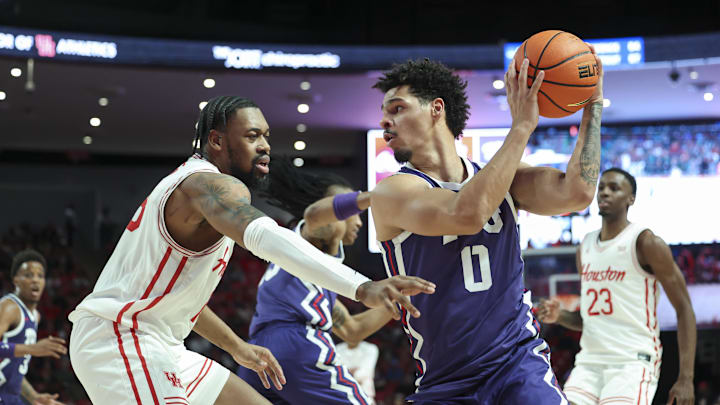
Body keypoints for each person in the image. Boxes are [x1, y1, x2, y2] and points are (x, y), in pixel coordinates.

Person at [67, 96, 436, 405]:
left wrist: (237, 347)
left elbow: (179, 301)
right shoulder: (209, 186)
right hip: (122, 338)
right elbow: (266, 238)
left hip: (160, 340)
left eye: (267, 136)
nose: (265, 146)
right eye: (252, 136)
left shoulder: (198, 189)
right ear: (216, 141)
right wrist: (362, 286)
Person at [369, 52, 604, 404]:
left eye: (397, 108)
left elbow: (578, 193)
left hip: (516, 362)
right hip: (446, 381)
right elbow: (467, 213)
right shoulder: (391, 192)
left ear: (436, 108)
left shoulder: (503, 179)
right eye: (384, 113)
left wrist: (593, 106)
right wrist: (522, 126)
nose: (386, 121)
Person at [236, 157, 396, 405]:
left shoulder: (308, 280)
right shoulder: (308, 237)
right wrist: (373, 196)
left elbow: (352, 331)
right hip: (295, 345)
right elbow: (314, 218)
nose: (359, 220)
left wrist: (396, 297)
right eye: (351, 210)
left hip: (260, 354)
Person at [536, 168, 696, 405]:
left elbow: (684, 308)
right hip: (589, 363)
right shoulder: (586, 246)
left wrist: (686, 378)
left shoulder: (645, 242)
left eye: (614, 188)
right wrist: (561, 316)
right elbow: (589, 318)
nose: (604, 193)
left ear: (631, 199)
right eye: (601, 188)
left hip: (631, 363)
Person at [0, 249, 66, 405]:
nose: (35, 280)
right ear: (15, 280)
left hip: (11, 398)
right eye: (28, 275)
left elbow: (13, 367)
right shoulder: (9, 307)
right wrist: (32, 349)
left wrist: (34, 396)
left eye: (40, 275)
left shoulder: (35, 316)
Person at [335, 340, 380, 405]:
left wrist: (346, 371)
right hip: (342, 394)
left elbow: (362, 374)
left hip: (365, 393)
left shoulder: (371, 348)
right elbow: (337, 373)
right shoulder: (338, 348)